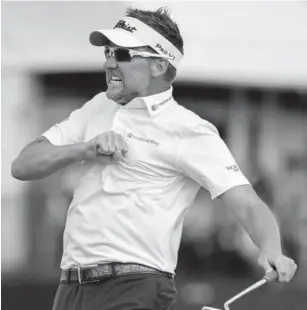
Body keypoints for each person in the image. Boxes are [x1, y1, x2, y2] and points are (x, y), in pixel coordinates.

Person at [11, 7, 297, 310]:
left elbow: (247, 202)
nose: (108, 62)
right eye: (108, 52)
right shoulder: (96, 107)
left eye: (122, 53)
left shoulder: (190, 130)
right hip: (70, 287)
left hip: (134, 287)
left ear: (159, 65)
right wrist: (85, 149)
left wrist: (272, 248)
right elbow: (22, 165)